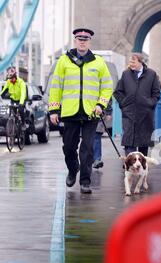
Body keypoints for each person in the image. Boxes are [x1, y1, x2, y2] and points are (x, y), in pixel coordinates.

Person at [48, 28, 113, 194]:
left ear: (89, 41)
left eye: (86, 39)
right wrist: (54, 110)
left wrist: (101, 105)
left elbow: (107, 87)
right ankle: (73, 169)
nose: (82, 41)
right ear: (75, 41)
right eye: (79, 38)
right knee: (69, 148)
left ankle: (85, 181)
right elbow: (56, 87)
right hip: (70, 112)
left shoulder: (98, 62)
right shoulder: (64, 61)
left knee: (88, 148)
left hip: (91, 112)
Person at [113, 53, 161, 157]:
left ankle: (142, 169)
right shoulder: (126, 74)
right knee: (129, 142)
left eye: (133, 62)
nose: (131, 64)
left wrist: (150, 104)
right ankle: (129, 167)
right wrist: (124, 104)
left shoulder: (151, 74)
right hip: (129, 113)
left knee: (143, 145)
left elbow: (156, 94)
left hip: (145, 115)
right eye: (130, 62)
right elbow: (117, 92)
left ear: (141, 62)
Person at [92, 98, 113, 169]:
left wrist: (109, 112)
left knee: (96, 136)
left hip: (99, 113)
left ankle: (97, 159)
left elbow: (108, 96)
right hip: (84, 115)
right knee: (87, 139)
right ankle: (88, 159)